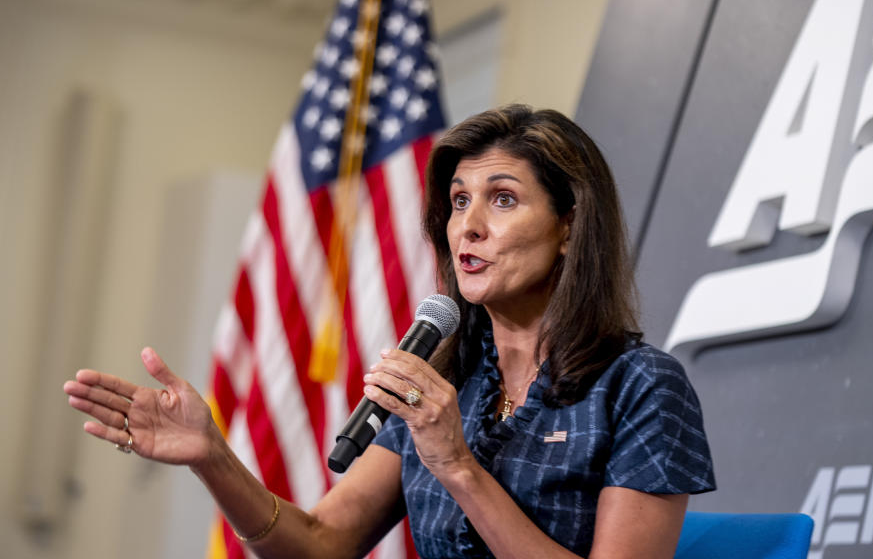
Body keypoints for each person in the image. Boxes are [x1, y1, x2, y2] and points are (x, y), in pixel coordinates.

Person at [64, 104, 715, 558]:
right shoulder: (443, 380)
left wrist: (457, 465)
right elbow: (320, 543)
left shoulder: (642, 387)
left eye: (503, 198)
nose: (469, 226)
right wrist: (212, 455)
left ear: (572, 225)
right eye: (460, 200)